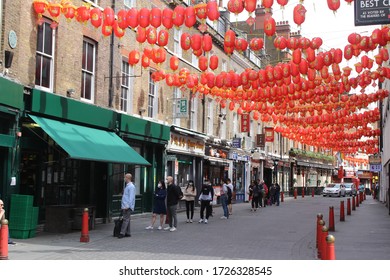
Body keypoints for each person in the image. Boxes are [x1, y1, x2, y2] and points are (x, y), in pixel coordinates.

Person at [118, 173, 135, 239]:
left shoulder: (131, 186)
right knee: (127, 219)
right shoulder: (128, 186)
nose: (124, 178)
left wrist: (128, 206)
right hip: (125, 205)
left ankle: (122, 233)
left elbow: (131, 197)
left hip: (127, 206)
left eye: (125, 177)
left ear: (128, 178)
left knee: (125, 219)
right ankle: (128, 232)